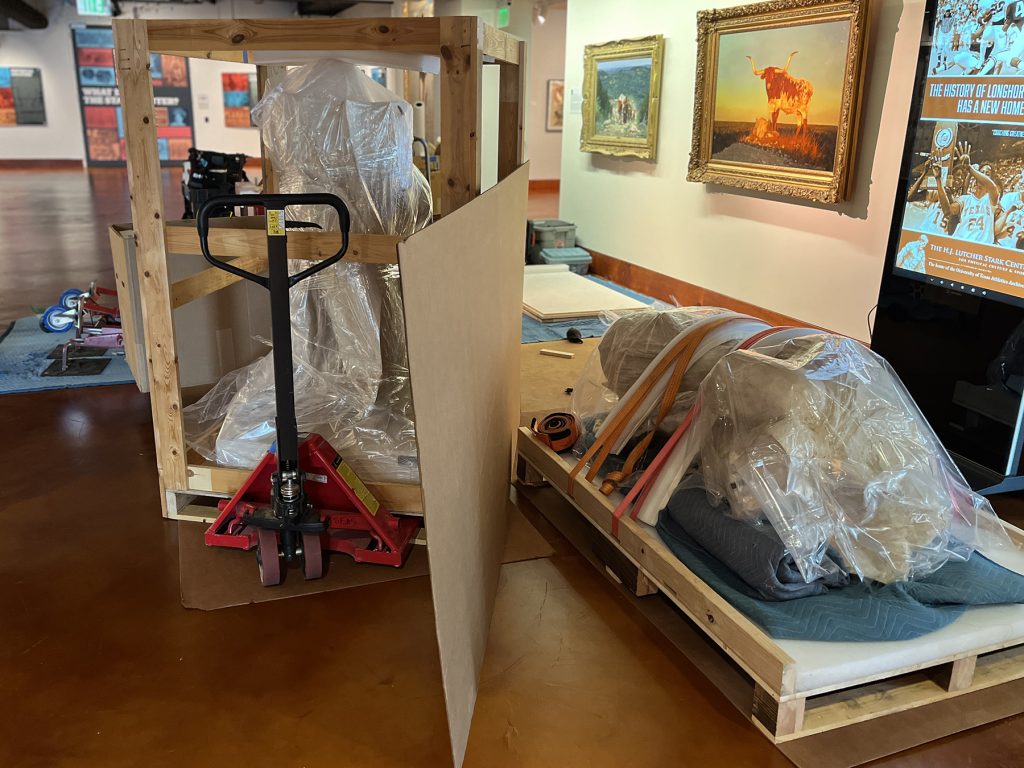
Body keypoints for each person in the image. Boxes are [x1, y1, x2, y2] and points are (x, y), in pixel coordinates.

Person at [934, 142, 1000, 243]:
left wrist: (969, 168)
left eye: (988, 173)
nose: (985, 175)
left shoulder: (992, 198)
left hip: (981, 249)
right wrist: (938, 179)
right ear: (977, 175)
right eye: (982, 172)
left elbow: (992, 187)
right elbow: (948, 211)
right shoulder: (965, 199)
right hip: (960, 243)